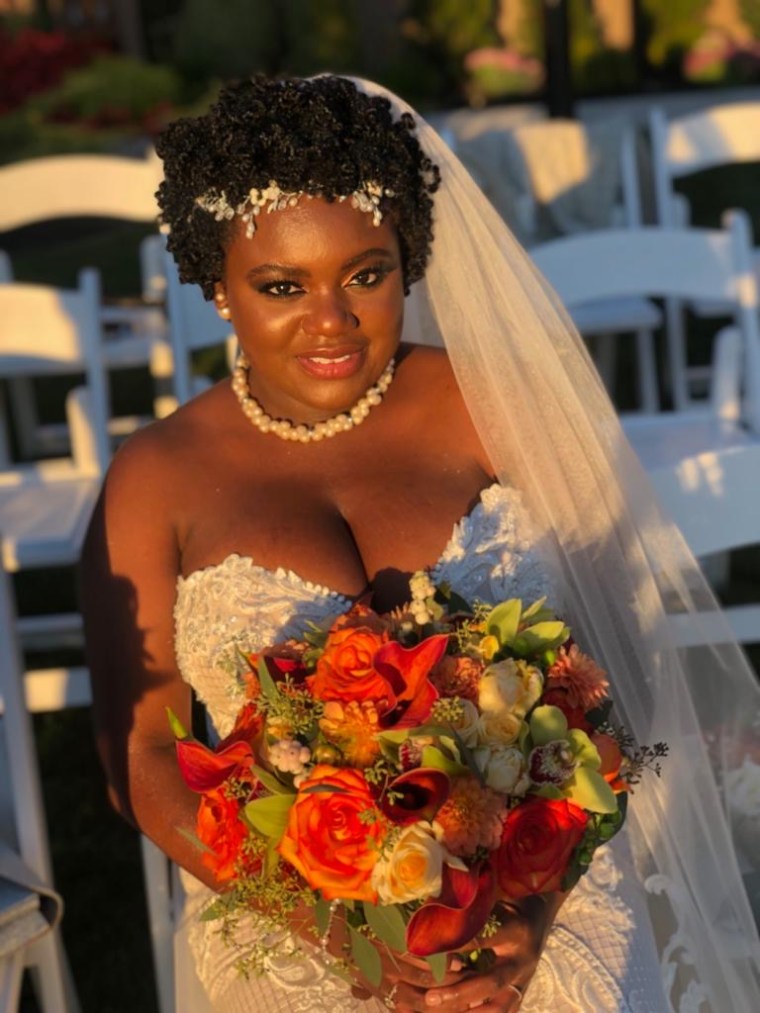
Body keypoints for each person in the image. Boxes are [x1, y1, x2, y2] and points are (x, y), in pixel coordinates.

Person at [80, 74, 760, 1013]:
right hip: (287, 912)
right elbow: (144, 758)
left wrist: (534, 902)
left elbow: (622, 673)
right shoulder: (155, 477)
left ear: (410, 259)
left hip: (541, 892)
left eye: (368, 273)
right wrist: (339, 938)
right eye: (282, 286)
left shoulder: (503, 407)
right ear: (215, 286)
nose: (332, 321)